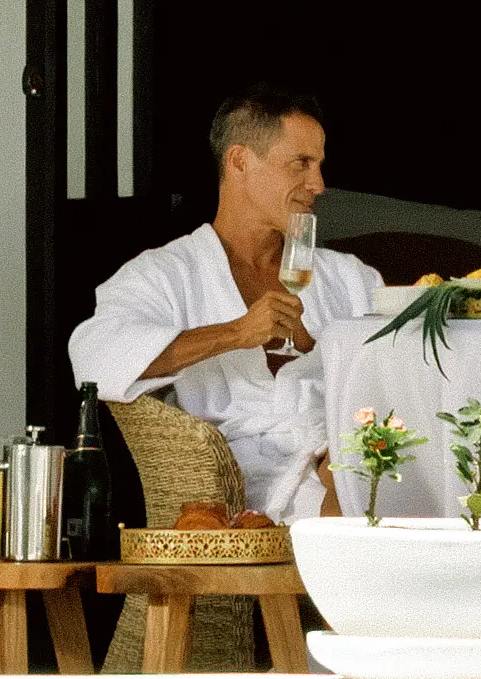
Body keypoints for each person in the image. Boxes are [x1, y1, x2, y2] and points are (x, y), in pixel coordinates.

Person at [65, 88, 386, 522]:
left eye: (320, 166)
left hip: (346, 463)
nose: (319, 185)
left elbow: (398, 372)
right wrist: (236, 334)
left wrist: (330, 352)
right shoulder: (167, 274)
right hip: (238, 484)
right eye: (301, 164)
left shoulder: (347, 278)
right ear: (239, 162)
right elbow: (93, 357)